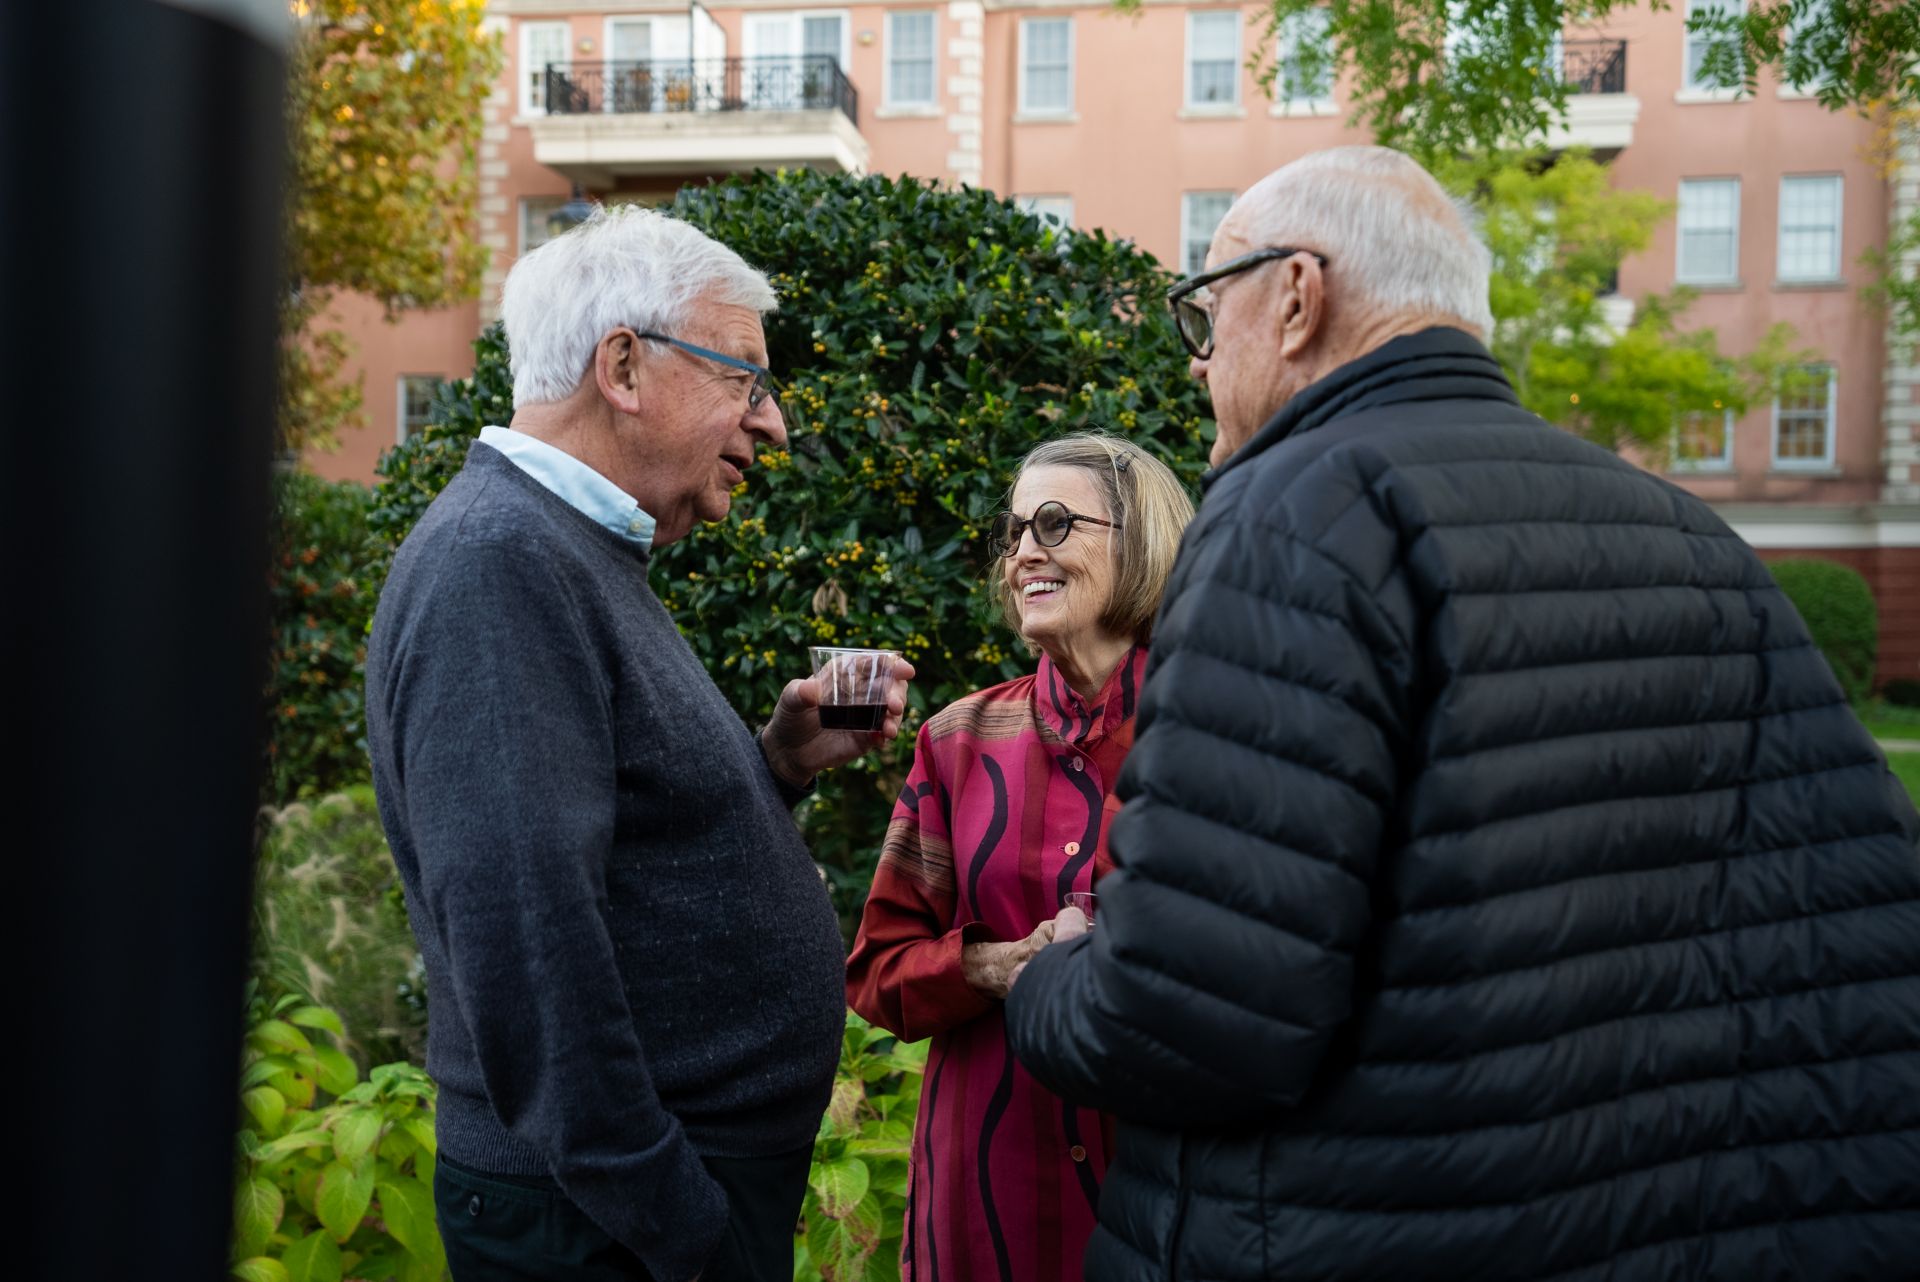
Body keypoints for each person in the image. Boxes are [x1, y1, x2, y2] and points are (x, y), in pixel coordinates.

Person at [1004, 146, 1920, 1281]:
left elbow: (1191, 1024)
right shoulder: (1690, 532)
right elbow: (1855, 936)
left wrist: (1047, 981)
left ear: (1296, 297)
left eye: (1206, 310)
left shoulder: (1295, 513)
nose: (1198, 359)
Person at [364, 206, 913, 1282]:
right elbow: (526, 942)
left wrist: (779, 762)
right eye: (746, 380)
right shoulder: (499, 561)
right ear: (623, 365)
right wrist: (683, 1225)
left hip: (626, 1211)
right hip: (610, 1224)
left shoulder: (559, 547)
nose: (772, 425)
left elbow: (617, 843)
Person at [845, 432, 1193, 1281]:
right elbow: (877, 971)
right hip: (984, 1199)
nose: (1024, 553)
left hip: (1162, 1189)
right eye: (1015, 532)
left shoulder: (1215, 730)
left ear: (1142, 541)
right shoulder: (957, 741)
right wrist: (995, 966)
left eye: (1055, 523)